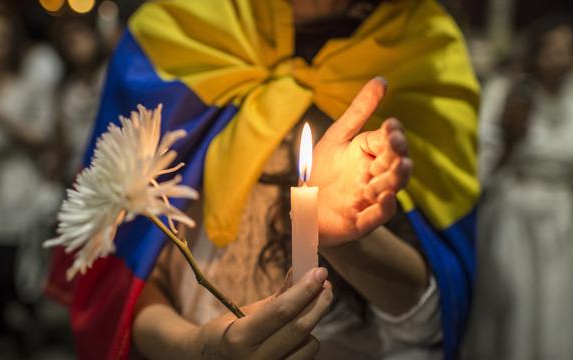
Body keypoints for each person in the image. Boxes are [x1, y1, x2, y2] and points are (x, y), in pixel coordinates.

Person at [46, 1, 480, 359]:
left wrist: (341, 239)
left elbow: (428, 318)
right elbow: (124, 270)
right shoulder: (175, 34)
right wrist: (198, 347)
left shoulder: (426, 54)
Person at [468, 16, 573, 360]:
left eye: (567, 49)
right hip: (515, 211)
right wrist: (511, 136)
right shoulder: (508, 92)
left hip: (560, 215)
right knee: (516, 300)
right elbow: (486, 158)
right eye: (552, 49)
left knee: (556, 301)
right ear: (535, 52)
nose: (560, 57)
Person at [0, 9, 62, 356]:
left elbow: (46, 136)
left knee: (19, 281)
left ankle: (28, 344)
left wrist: (3, 119)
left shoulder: (27, 86)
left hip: (19, 197)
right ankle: (2, 343)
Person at [53, 16, 107, 183]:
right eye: (68, 42)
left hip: (113, 161)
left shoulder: (111, 73)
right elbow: (64, 141)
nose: (76, 44)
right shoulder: (67, 90)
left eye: (80, 35)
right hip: (79, 170)